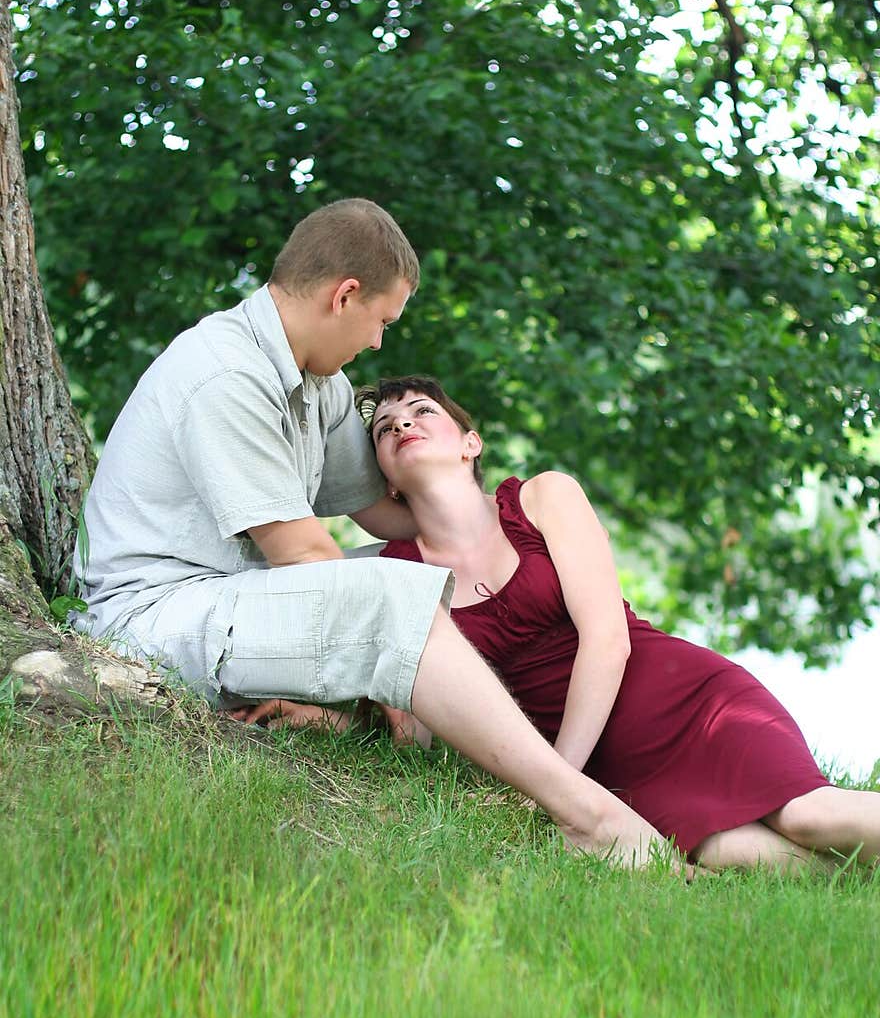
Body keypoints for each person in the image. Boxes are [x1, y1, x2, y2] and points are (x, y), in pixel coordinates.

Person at [72, 199, 674, 870]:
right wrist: (377, 657)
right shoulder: (226, 374)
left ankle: (539, 729)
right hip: (155, 613)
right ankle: (586, 813)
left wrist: (527, 545)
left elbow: (396, 515)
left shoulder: (318, 383)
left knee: (403, 573)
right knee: (383, 594)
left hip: (231, 595)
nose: (380, 344)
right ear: (345, 296)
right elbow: (304, 557)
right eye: (382, 321)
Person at [335, 375, 876, 874]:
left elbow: (606, 639)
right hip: (605, 770)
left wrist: (555, 784)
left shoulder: (542, 496)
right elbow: (430, 723)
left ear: (469, 444)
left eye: (421, 410)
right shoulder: (397, 571)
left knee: (808, 818)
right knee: (735, 854)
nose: (403, 424)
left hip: (678, 701)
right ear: (387, 483)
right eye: (385, 428)